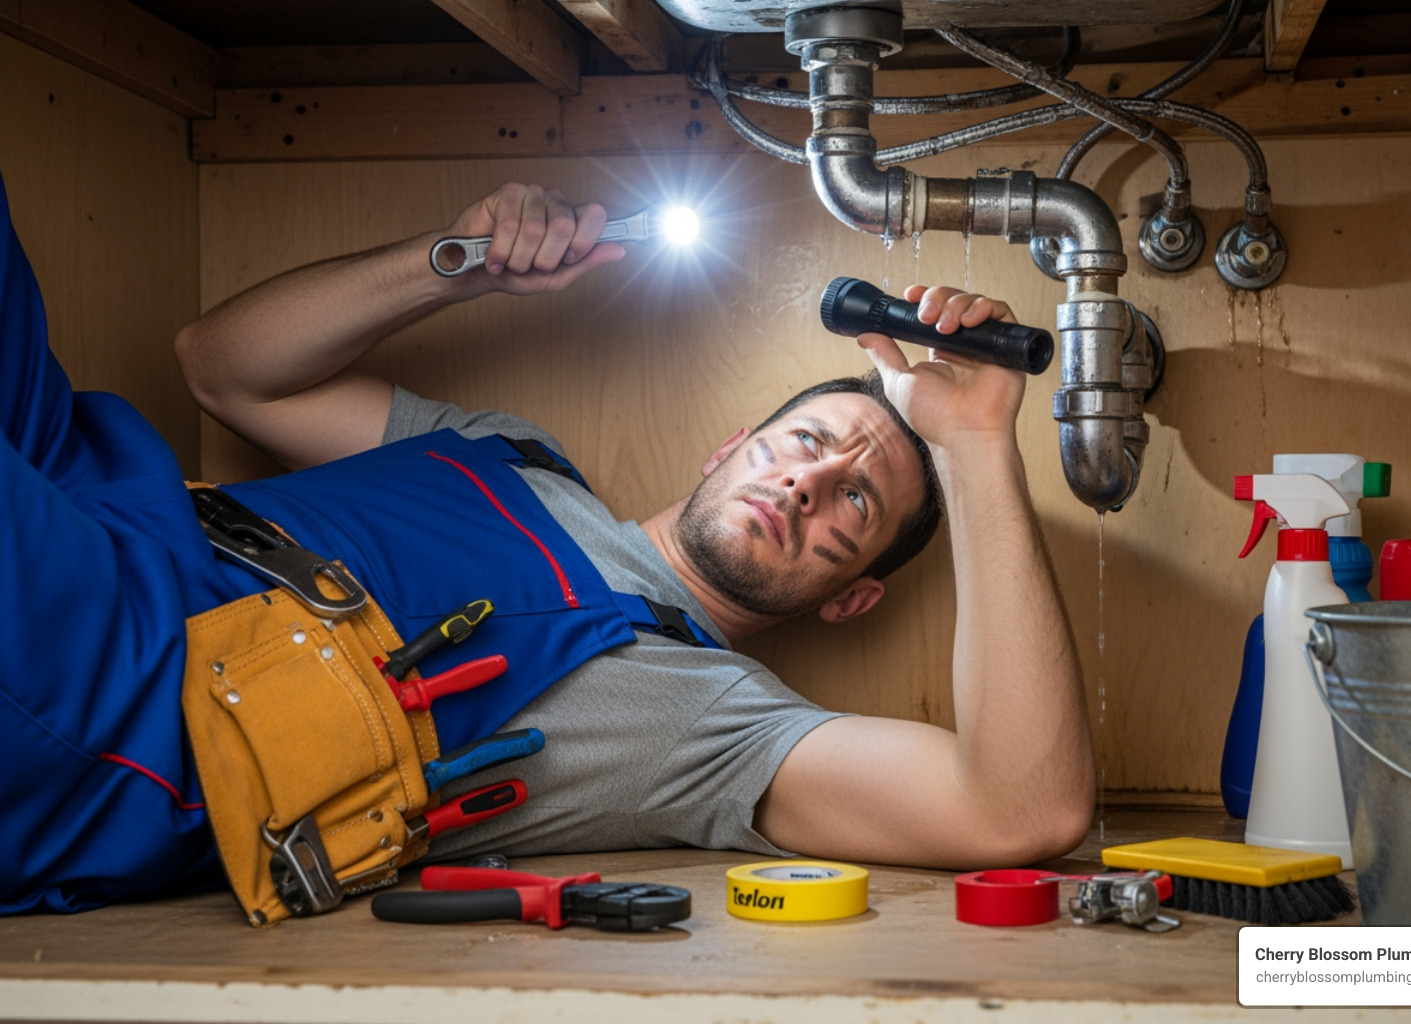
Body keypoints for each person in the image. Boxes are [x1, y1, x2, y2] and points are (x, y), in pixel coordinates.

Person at [0, 176, 1093, 916]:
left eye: (856, 504)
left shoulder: (708, 722)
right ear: (730, 448)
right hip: (96, 484)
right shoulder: (507, 452)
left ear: (851, 596)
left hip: (118, 681)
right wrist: (454, 263)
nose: (809, 482)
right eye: (804, 443)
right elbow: (224, 365)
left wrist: (975, 438)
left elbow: (1019, 809)